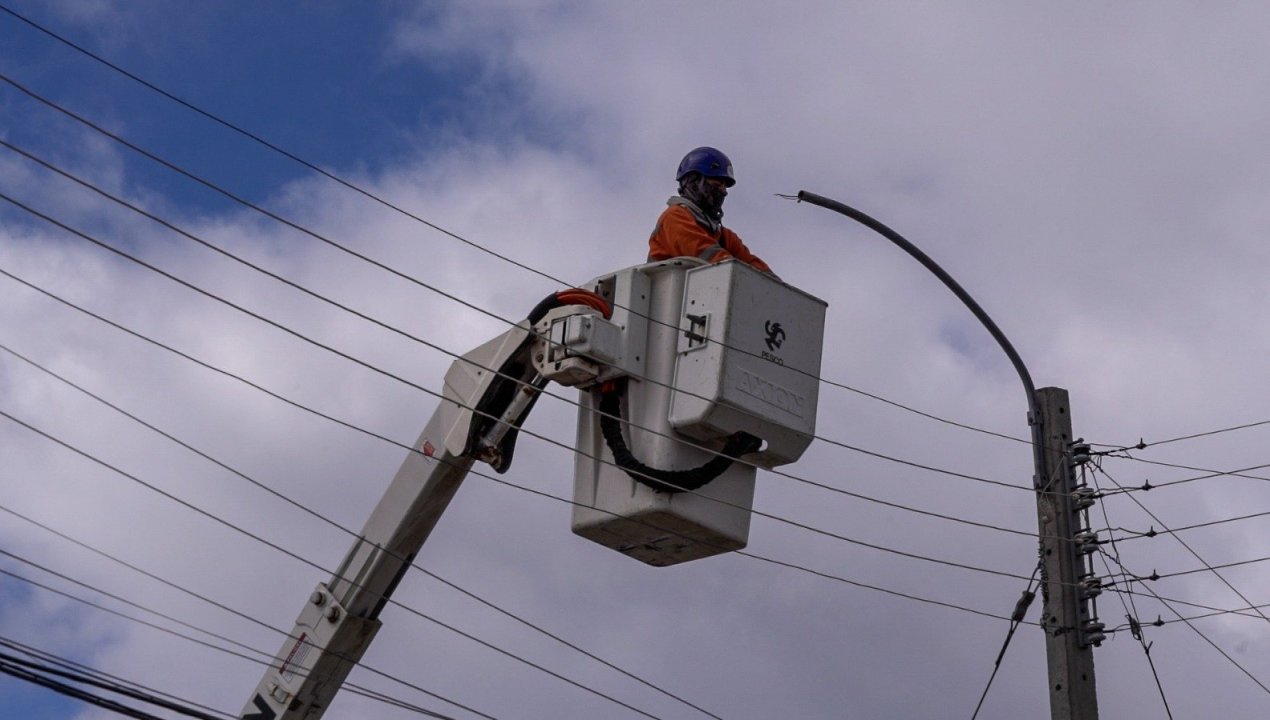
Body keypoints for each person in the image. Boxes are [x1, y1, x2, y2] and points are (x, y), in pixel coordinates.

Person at [647, 146, 775, 275]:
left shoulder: (723, 236)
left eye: (725, 187)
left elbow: (752, 263)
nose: (723, 192)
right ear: (694, 182)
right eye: (717, 185)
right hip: (671, 294)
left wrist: (777, 287)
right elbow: (713, 260)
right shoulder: (674, 218)